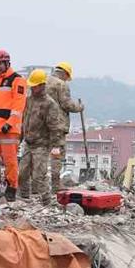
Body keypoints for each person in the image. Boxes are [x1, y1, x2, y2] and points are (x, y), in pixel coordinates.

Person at [0, 50, 26, 200]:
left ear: (7, 63)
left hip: (9, 129)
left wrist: (10, 123)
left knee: (10, 160)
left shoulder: (17, 80)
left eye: (0, 63)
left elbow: (19, 104)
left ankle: (11, 189)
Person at [17, 69, 61, 203]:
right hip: (28, 143)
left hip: (41, 145)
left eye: (34, 85)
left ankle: (46, 200)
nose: (32, 88)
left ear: (42, 85)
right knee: (22, 173)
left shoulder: (49, 104)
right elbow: (24, 121)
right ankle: (24, 197)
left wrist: (55, 146)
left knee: (38, 175)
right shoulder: (29, 100)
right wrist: (19, 139)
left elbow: (54, 127)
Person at [45, 61, 83, 189]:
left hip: (41, 125)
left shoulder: (43, 81)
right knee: (56, 154)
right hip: (56, 126)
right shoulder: (61, 85)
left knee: (39, 153)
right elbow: (67, 104)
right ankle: (56, 184)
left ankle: (37, 184)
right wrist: (79, 107)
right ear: (65, 74)